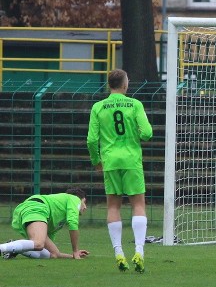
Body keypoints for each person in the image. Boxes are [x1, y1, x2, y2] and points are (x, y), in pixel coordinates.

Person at [87, 68, 153, 273]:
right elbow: (148, 133)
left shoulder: (98, 107)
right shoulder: (135, 104)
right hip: (131, 160)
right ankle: (139, 251)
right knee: (138, 205)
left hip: (110, 161)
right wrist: (138, 135)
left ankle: (118, 253)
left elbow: (91, 139)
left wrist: (96, 160)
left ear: (109, 85)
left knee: (113, 207)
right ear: (125, 85)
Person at [0, 188, 90, 260]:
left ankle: (13, 246)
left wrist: (73, 255)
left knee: (52, 254)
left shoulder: (59, 217)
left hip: (32, 210)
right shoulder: (74, 198)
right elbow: (73, 223)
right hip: (36, 208)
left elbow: (54, 253)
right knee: (38, 243)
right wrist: (75, 250)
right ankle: (4, 248)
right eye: (84, 202)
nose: (85, 207)